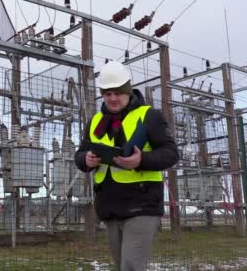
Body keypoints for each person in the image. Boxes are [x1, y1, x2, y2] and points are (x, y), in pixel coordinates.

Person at [74, 60, 179, 271]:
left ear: (128, 91)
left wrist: (141, 161)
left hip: (142, 203)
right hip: (110, 206)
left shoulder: (149, 116)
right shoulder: (95, 121)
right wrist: (86, 159)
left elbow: (171, 153)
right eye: (107, 93)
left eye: (117, 93)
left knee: (131, 266)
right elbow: (80, 155)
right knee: (122, 266)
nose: (112, 98)